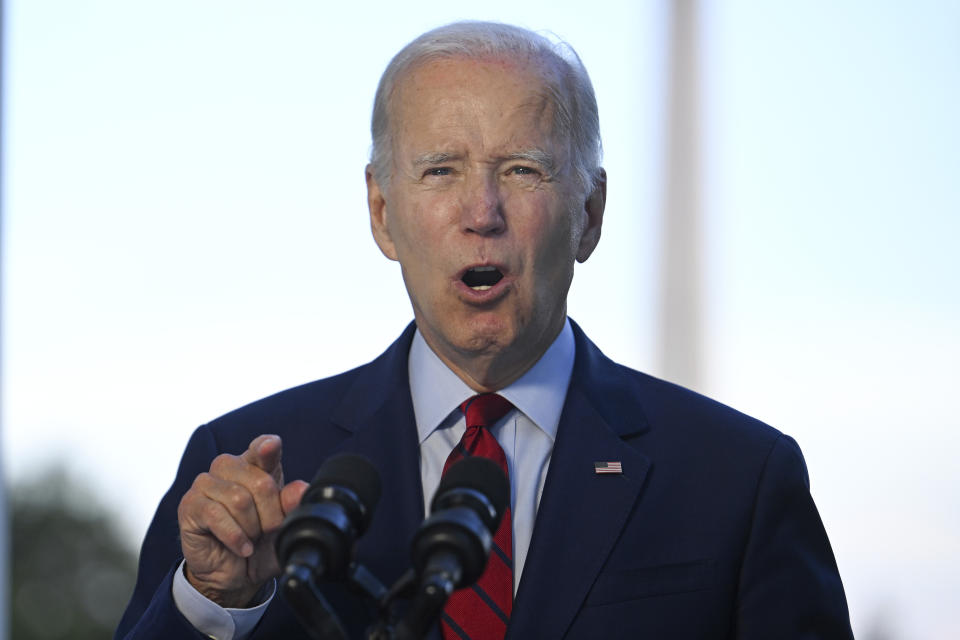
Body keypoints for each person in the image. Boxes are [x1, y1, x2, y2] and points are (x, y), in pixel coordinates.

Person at [116, 21, 853, 640]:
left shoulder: (739, 480)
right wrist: (214, 601)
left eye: (523, 170)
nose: (482, 212)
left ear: (590, 213)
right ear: (381, 212)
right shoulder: (245, 470)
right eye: (440, 171)